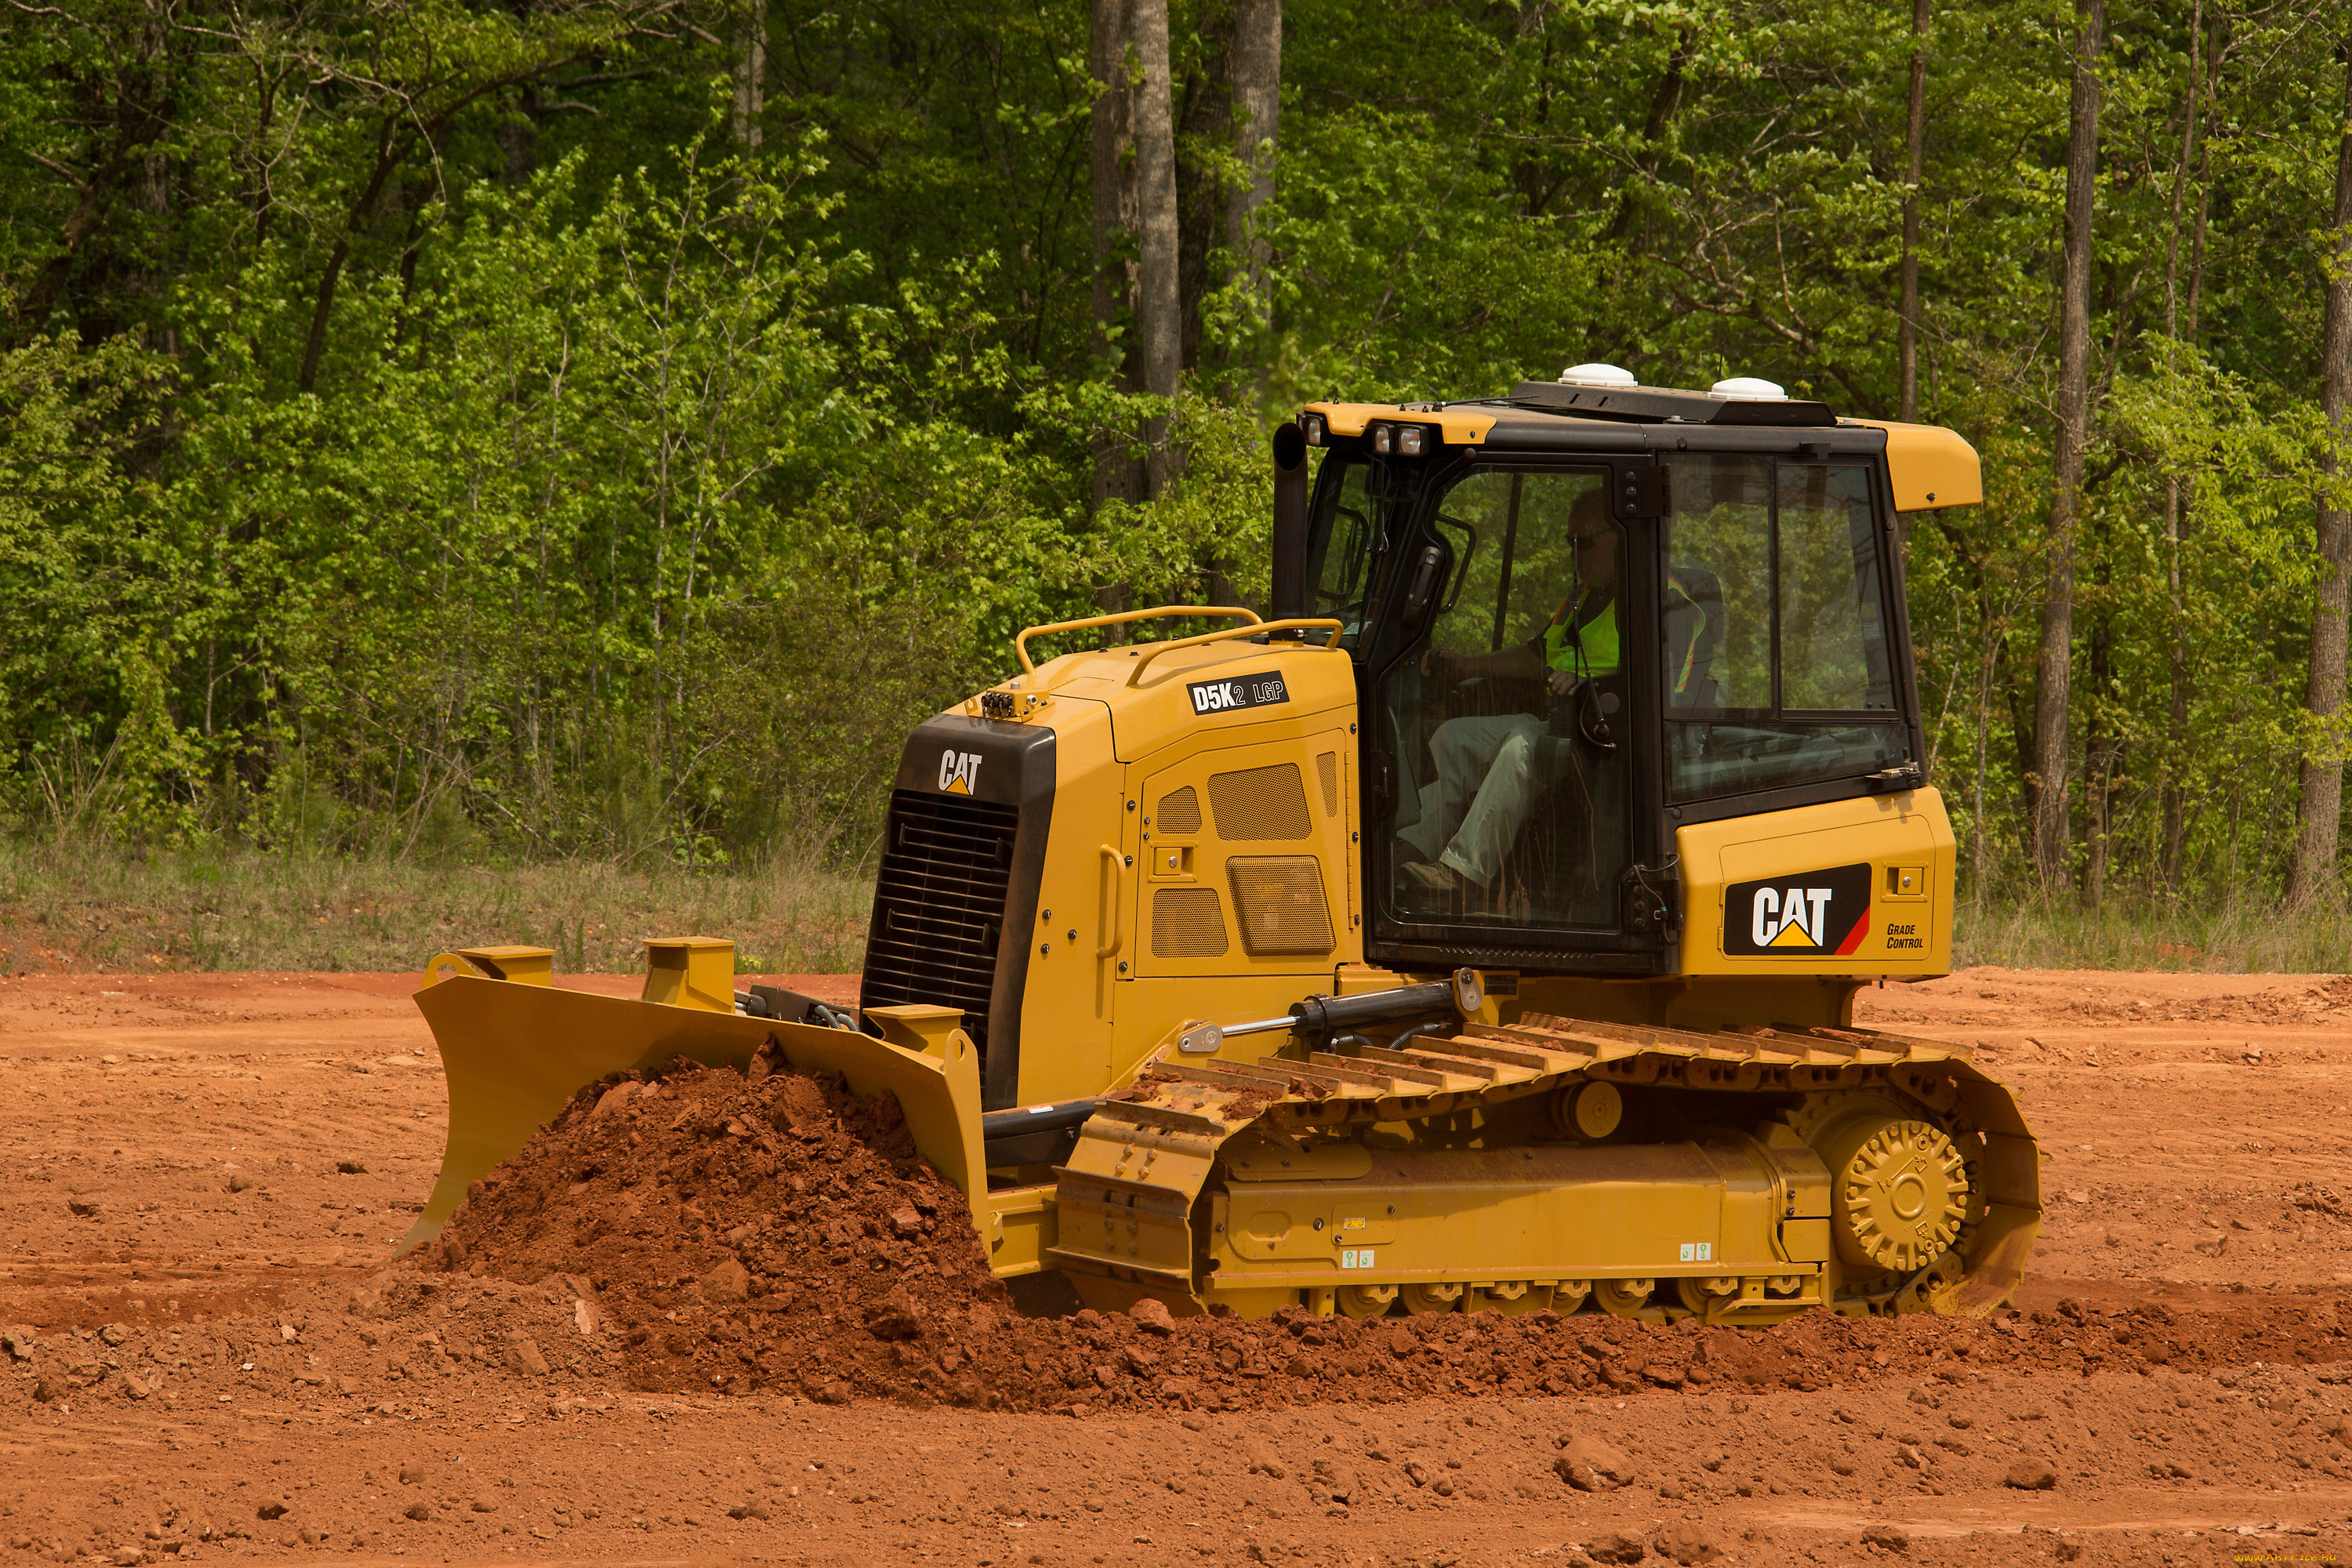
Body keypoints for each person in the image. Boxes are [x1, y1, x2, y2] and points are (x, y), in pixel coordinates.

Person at [1397, 489, 1620, 896]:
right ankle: (1409, 847)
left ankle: (1462, 873)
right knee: (1453, 738)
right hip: (1560, 723)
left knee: (1521, 747)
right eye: (1570, 544)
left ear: (1620, 534)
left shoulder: (1655, 598)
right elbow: (1538, 655)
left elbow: (1667, 677)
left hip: (1605, 736)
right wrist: (1465, 663)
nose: (1575, 555)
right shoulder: (1581, 597)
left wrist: (1594, 686)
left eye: (1584, 543)